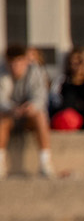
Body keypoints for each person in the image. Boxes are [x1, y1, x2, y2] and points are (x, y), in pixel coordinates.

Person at [1, 44, 55, 178]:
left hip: (29, 116)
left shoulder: (35, 71)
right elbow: (1, 100)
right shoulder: (2, 72)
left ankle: (45, 162)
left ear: (25, 61)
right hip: (10, 116)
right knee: (2, 120)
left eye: (18, 62)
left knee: (40, 116)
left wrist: (30, 107)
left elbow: (40, 97)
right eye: (12, 63)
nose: (15, 67)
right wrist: (12, 109)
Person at [51, 46, 84, 132]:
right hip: (63, 120)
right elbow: (55, 103)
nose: (75, 66)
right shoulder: (63, 82)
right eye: (72, 62)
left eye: (79, 62)